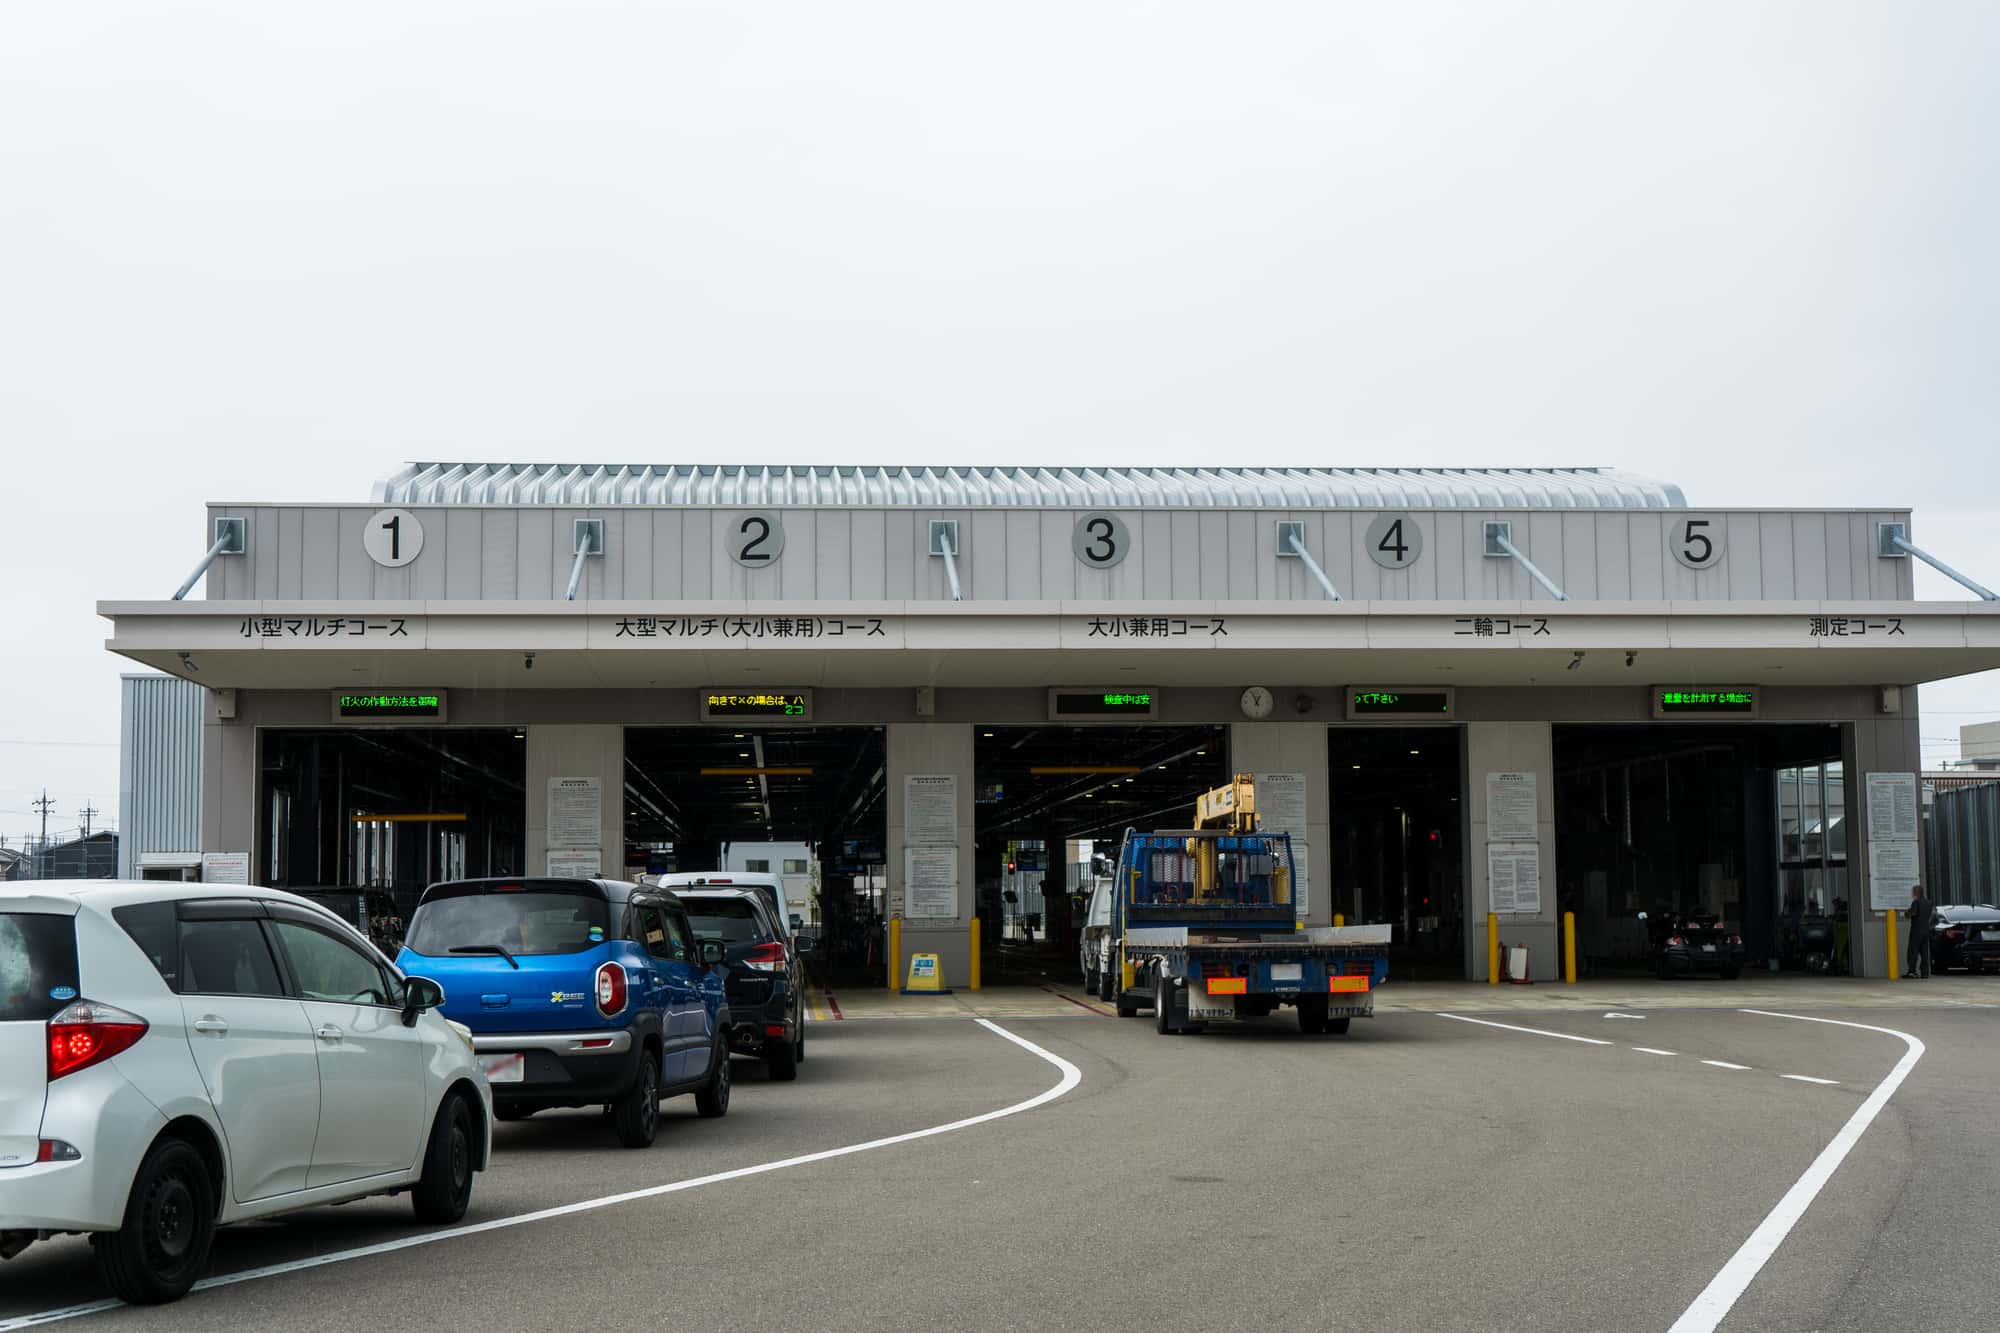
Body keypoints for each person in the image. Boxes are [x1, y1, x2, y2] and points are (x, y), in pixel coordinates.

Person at [1905, 886, 1936, 979]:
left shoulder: (1916, 902)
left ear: (1916, 892)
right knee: (1924, 952)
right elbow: (1931, 914)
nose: (1912, 893)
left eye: (1913, 892)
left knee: (1912, 951)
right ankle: (1925, 972)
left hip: (1916, 930)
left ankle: (1912, 972)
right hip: (1926, 930)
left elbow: (1913, 913)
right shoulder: (1929, 902)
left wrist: (1907, 913)